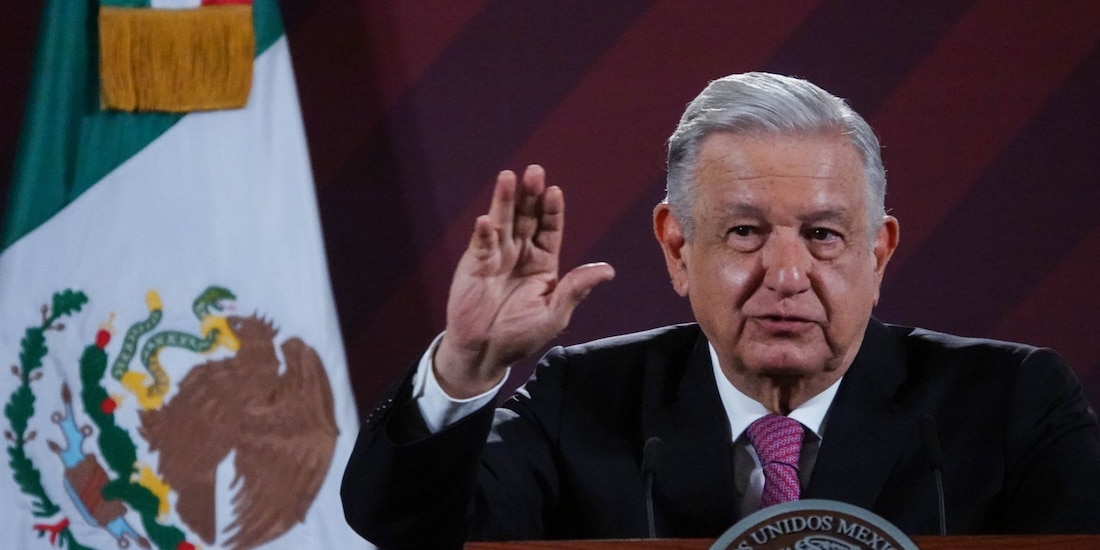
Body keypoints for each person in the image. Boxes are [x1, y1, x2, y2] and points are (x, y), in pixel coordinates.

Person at [340, 72, 1100, 548]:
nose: (787, 275)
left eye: (823, 235)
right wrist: (467, 365)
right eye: (745, 232)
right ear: (677, 248)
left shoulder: (1010, 405)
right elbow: (407, 531)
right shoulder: (584, 401)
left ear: (878, 254)